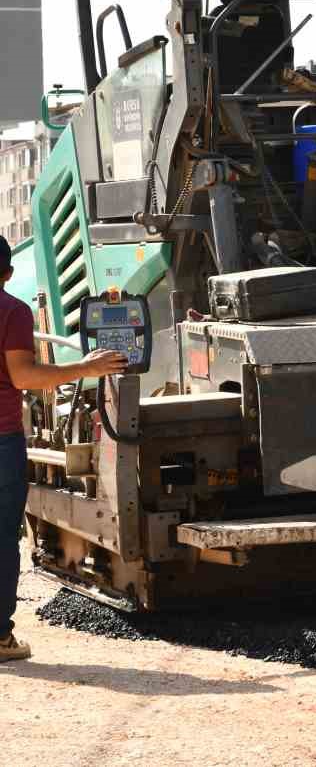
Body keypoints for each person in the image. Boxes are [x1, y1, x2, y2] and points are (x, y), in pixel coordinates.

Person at [1, 235, 127, 662]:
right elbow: (22, 377)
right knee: (1, 540)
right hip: (0, 441)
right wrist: (87, 367)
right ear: (8, 273)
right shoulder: (11, 311)